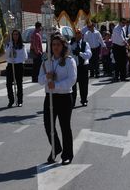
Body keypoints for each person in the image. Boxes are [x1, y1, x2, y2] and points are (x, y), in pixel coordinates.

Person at [39, 35, 77, 164]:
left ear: (63, 46)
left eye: (58, 45)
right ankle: (56, 147)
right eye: (53, 44)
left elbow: (72, 80)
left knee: (65, 126)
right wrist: (46, 77)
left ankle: (67, 155)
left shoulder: (69, 61)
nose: (55, 47)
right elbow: (39, 79)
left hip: (64, 97)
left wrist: (56, 85)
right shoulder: (46, 61)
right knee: (48, 125)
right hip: (50, 97)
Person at [5, 29, 28, 108]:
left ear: (19, 36)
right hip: (10, 65)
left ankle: (20, 101)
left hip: (19, 66)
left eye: (17, 34)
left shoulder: (22, 46)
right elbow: (6, 55)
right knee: (8, 84)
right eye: (14, 34)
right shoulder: (9, 44)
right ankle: (11, 100)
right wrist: (9, 48)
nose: (15, 36)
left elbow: (25, 57)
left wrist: (17, 60)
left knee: (19, 84)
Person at [70, 29, 92, 107]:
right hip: (73, 67)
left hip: (83, 67)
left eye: (79, 33)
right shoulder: (70, 44)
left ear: (82, 35)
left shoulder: (85, 44)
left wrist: (79, 53)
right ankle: (72, 102)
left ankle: (84, 100)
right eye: (76, 33)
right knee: (73, 86)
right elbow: (67, 55)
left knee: (84, 86)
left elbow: (88, 55)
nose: (78, 35)